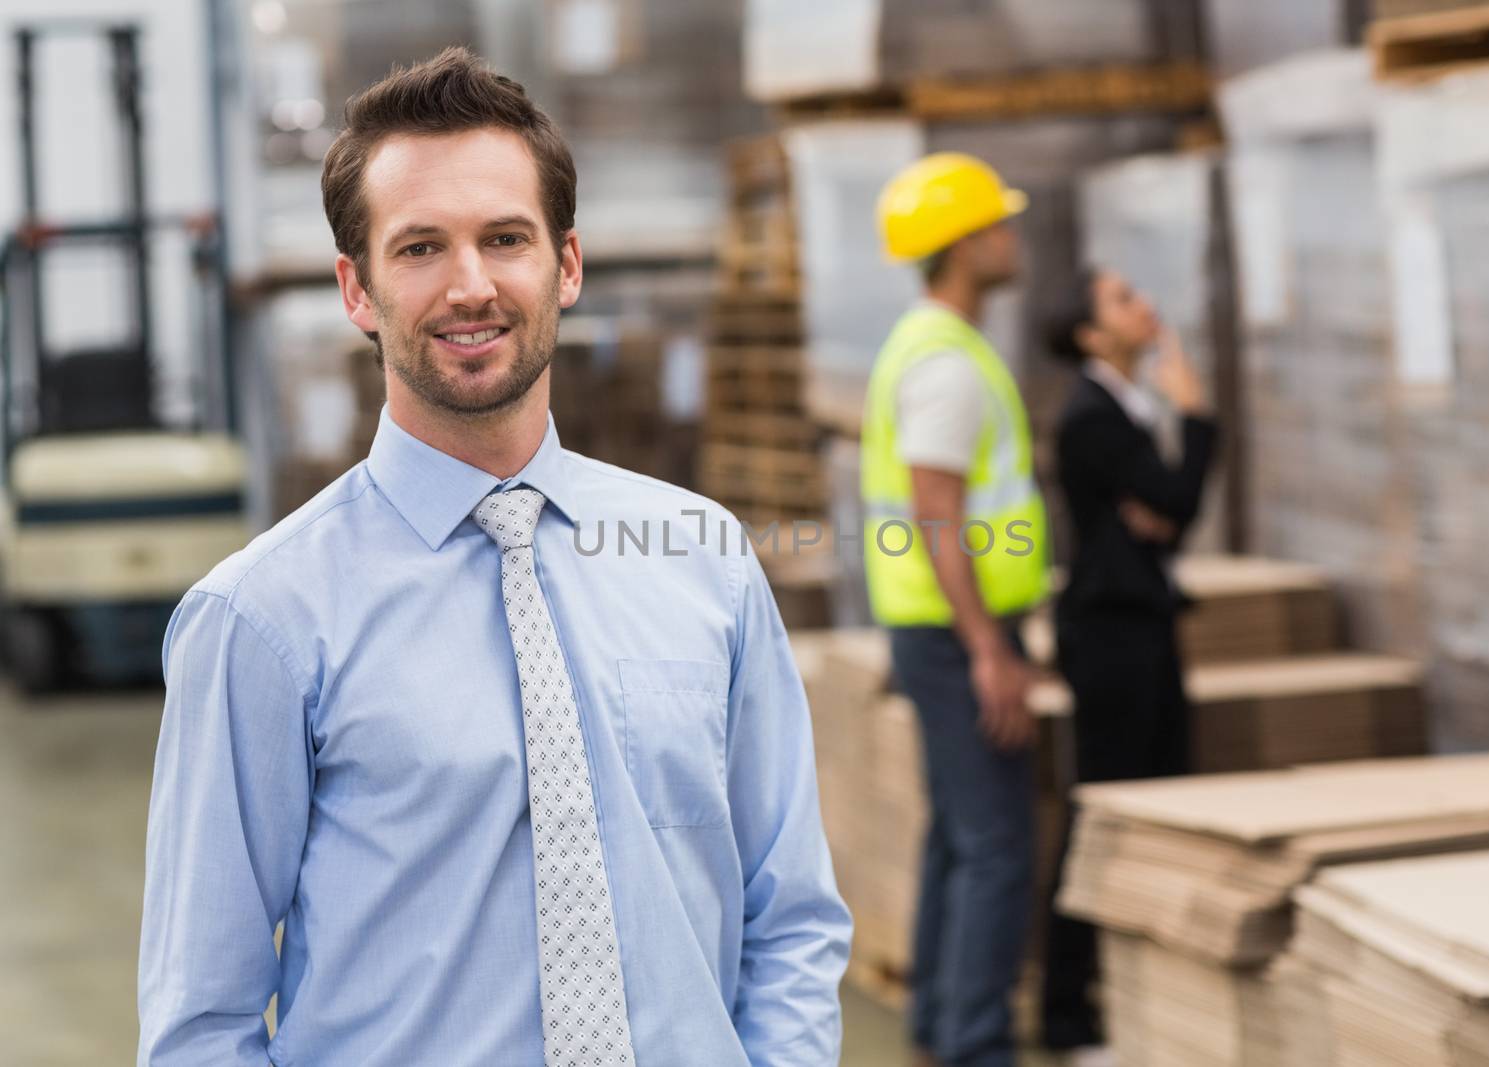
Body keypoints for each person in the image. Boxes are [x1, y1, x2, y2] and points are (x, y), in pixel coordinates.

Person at [138, 48, 850, 1066]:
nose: (469, 285)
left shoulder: (704, 560)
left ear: (564, 264)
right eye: (420, 246)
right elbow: (199, 1023)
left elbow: (788, 917)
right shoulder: (262, 619)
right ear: (356, 287)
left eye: (504, 238)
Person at [860, 153, 1053, 1067]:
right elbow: (938, 510)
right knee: (996, 846)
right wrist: (990, 649)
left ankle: (942, 1028)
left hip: (935, 627)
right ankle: (976, 1047)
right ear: (962, 245)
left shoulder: (934, 345)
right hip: (953, 632)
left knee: (960, 832)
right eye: (998, 223)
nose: (1012, 237)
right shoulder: (946, 364)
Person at [1038, 267, 1218, 1050]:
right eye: (1121, 299)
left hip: (1139, 621)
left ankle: (1133, 999)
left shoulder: (1122, 410)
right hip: (1110, 634)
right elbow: (1174, 501)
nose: (1145, 305)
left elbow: (1166, 519)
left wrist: (1159, 505)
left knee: (1159, 800)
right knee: (1108, 812)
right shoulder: (1092, 417)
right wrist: (1199, 415)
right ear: (1089, 334)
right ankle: (1066, 1012)